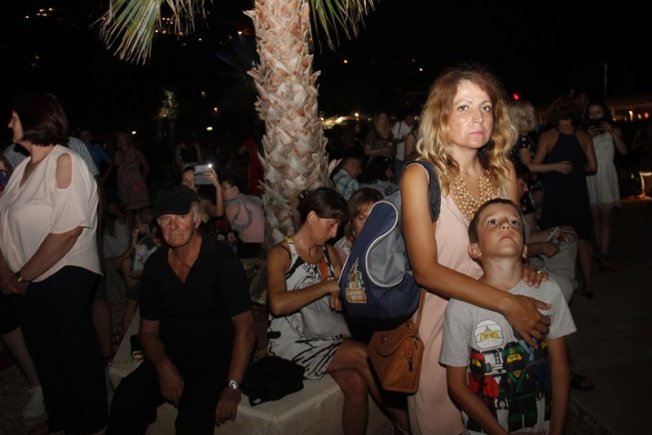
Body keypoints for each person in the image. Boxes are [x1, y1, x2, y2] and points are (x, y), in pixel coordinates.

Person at [400, 64, 551, 435]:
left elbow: (515, 249)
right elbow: (426, 271)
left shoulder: (504, 172)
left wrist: (524, 271)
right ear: (442, 115)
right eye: (464, 107)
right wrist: (508, 302)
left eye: (485, 107)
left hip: (501, 325)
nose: (478, 117)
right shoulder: (420, 176)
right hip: (441, 324)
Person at [107, 185, 256, 435]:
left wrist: (232, 386)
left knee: (192, 423)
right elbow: (148, 331)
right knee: (126, 398)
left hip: (215, 359)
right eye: (165, 219)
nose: (173, 226)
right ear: (158, 225)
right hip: (173, 353)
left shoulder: (221, 260)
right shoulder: (155, 265)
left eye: (181, 217)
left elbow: (246, 329)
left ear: (196, 220)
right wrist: (163, 366)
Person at [0, 93, 107, 433]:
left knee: (73, 353)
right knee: (45, 356)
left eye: (14, 117)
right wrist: (8, 273)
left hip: (63, 273)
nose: (9, 124)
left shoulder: (64, 162)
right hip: (25, 281)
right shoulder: (21, 171)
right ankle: (61, 421)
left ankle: (91, 424)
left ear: (34, 119)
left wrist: (21, 275)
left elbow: (67, 231)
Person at [266, 187, 409, 435]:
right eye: (330, 225)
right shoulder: (281, 255)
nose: (334, 233)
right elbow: (277, 304)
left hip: (325, 337)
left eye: (337, 227)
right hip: (292, 342)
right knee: (364, 356)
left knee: (356, 385)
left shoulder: (330, 253)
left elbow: (350, 291)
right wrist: (326, 286)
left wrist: (343, 292)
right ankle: (408, 424)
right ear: (312, 217)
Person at [441, 198, 575, 435]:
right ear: (475, 249)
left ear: (524, 248)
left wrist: (557, 429)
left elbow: (560, 367)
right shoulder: (461, 306)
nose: (506, 225)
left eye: (515, 222)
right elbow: (456, 385)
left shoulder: (547, 291)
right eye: (493, 222)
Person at [532, 94, 597, 298]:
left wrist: (554, 168)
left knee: (555, 236)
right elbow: (593, 167)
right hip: (578, 194)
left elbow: (535, 166)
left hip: (556, 195)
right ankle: (588, 284)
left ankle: (558, 284)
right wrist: (576, 170)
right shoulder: (584, 136)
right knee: (583, 239)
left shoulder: (548, 136)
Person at [584, 99, 627, 270]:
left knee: (606, 218)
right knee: (595, 218)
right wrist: (587, 137)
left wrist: (612, 132)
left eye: (598, 113)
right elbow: (580, 155)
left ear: (604, 113)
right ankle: (599, 248)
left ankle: (604, 253)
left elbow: (623, 150)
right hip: (592, 175)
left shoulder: (614, 129)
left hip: (607, 174)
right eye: (592, 114)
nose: (595, 117)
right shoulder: (585, 132)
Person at [334, 187, 383, 261]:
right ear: (352, 221)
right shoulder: (342, 251)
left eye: (373, 218)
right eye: (361, 218)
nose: (368, 224)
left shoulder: (389, 241)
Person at [222, 177, 265, 259]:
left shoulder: (232, 205)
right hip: (264, 238)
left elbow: (228, 224)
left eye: (224, 188)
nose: (221, 191)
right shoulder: (248, 198)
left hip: (250, 242)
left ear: (235, 189)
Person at [180, 165, 224, 235]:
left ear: (199, 183)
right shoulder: (177, 201)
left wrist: (217, 186)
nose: (189, 183)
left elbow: (218, 213)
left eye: (193, 180)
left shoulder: (202, 202)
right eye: (186, 180)